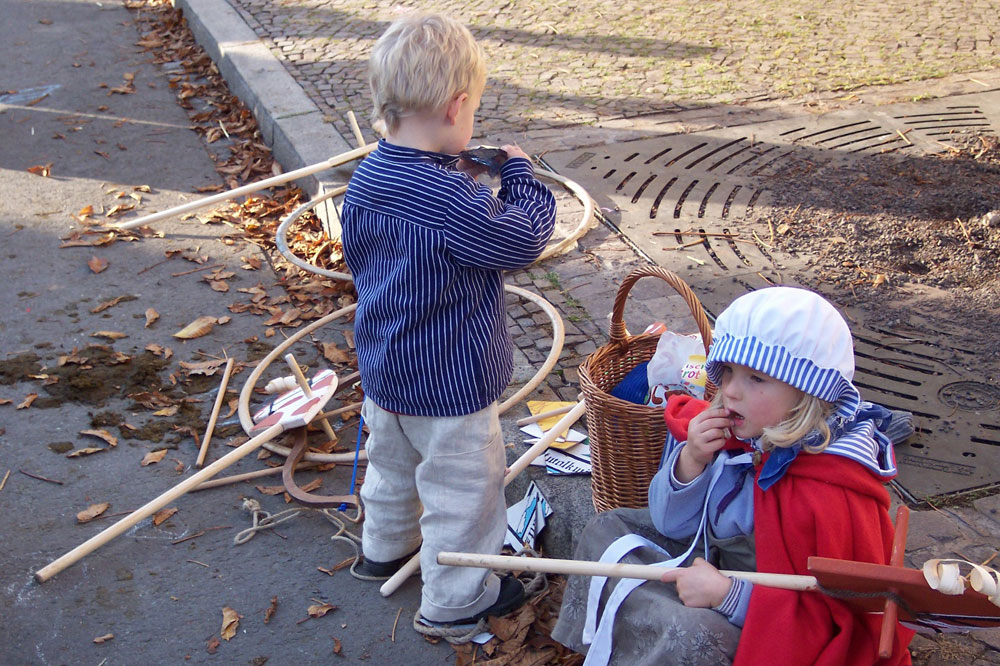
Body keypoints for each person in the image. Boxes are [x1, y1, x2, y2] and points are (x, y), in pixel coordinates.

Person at [552, 286, 915, 665]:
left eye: (756, 379)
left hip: (761, 619)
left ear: (807, 393)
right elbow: (671, 525)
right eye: (727, 372)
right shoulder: (730, 439)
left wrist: (728, 595)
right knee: (608, 528)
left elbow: (832, 616)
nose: (730, 392)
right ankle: (607, 648)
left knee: (689, 631)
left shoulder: (829, 489)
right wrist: (692, 460)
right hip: (711, 562)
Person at [339, 12, 557, 631]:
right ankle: (457, 598)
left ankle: (384, 549)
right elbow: (520, 240)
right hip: (450, 387)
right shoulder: (452, 198)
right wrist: (519, 177)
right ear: (457, 107)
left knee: (391, 469)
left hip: (386, 369)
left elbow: (375, 253)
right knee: (464, 493)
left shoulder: (368, 178)